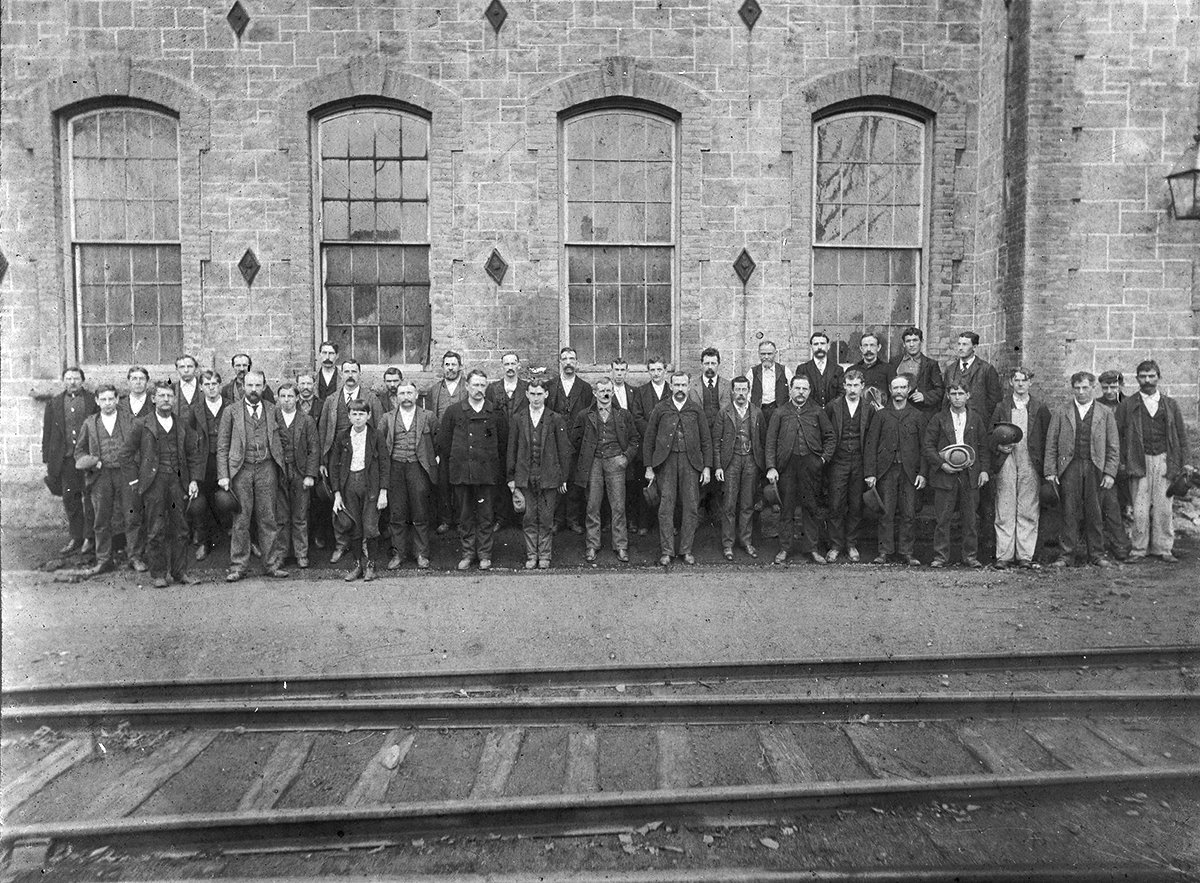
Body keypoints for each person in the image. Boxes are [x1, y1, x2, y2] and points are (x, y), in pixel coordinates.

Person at [120, 382, 202, 587]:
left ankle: (180, 572)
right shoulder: (142, 424)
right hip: (153, 484)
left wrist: (192, 480)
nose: (166, 399)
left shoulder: (182, 424)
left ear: (174, 400)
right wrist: (135, 480)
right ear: (153, 399)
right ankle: (158, 574)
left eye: (169, 396)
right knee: (156, 529)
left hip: (177, 482)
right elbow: (125, 455)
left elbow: (193, 454)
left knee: (181, 528)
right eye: (162, 396)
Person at [1116, 360, 1192, 564]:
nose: (1147, 380)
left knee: (1164, 507)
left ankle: (1163, 548)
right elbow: (1119, 436)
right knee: (1139, 508)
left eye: (1151, 376)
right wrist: (1123, 462)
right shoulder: (1128, 405)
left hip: (1165, 460)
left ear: (1158, 377)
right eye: (1143, 376)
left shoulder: (1171, 405)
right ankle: (1139, 549)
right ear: (1137, 378)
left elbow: (1181, 435)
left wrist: (1186, 462)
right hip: (1138, 461)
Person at [218, 370, 289, 582]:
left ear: (265, 386)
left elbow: (282, 440)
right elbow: (222, 446)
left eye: (258, 385)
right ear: (243, 387)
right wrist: (224, 475)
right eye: (249, 385)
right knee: (241, 520)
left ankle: (271, 564)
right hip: (241, 470)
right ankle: (238, 566)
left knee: (268, 518)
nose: (253, 390)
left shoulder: (272, 409)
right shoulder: (231, 411)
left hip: (266, 469)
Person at [1045, 371, 1119, 568]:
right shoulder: (1062, 411)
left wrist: (1110, 472)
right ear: (1072, 389)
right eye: (1077, 388)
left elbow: (1113, 445)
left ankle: (1096, 554)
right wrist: (1050, 471)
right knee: (1068, 511)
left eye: (1085, 388)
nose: (1081, 392)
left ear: (1093, 388)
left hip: (1096, 466)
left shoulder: (1105, 413)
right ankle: (1066, 555)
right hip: (1070, 467)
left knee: (1095, 512)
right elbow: (1051, 443)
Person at [942, 332, 1001, 561]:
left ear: (975, 347)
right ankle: (945, 554)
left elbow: (994, 403)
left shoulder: (986, 370)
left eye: (965, 344)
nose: (961, 348)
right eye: (959, 344)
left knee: (978, 503)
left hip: (977, 435)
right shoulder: (950, 369)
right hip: (953, 436)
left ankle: (981, 552)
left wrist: (985, 432)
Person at [441, 368, 508, 570]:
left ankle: (485, 554)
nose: (479, 389)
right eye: (475, 385)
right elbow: (444, 443)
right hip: (462, 472)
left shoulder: (495, 412)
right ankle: (468, 553)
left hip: (487, 474)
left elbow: (503, 443)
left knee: (486, 515)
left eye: (482, 385)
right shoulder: (454, 412)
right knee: (465, 515)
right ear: (467, 387)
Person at [643, 371, 712, 566]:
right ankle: (666, 551)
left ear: (688, 387)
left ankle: (686, 550)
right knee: (666, 507)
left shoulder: (696, 410)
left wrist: (706, 467)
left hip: (691, 464)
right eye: (676, 385)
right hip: (666, 463)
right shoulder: (660, 409)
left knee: (691, 507)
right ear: (671, 386)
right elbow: (649, 439)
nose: (680, 389)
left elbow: (706, 440)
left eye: (683, 385)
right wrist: (649, 467)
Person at [317, 359, 383, 561]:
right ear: (341, 374)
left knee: (364, 507)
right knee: (340, 504)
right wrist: (322, 461)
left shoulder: (371, 399)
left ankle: (363, 546)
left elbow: (378, 429)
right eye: (346, 371)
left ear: (360, 374)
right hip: (338, 458)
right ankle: (341, 544)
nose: (350, 375)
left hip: (363, 460)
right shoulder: (332, 400)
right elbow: (323, 431)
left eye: (354, 371)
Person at [766, 375, 835, 565]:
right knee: (786, 509)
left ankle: (811, 548)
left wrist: (822, 459)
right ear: (790, 390)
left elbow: (830, 437)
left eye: (804, 389)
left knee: (811, 508)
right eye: (797, 388)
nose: (801, 392)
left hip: (811, 467)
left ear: (809, 391)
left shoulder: (817, 412)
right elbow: (770, 442)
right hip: (787, 467)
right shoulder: (780, 413)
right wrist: (771, 467)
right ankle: (784, 548)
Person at [572, 377, 639, 564]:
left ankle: (621, 546)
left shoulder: (623, 414)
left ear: (613, 392)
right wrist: (586, 456)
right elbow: (575, 439)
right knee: (592, 505)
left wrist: (625, 458)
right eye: (601, 391)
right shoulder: (585, 415)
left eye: (608, 390)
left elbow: (635, 439)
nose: (605, 394)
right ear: (595, 393)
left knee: (618, 506)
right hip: (593, 463)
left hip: (615, 462)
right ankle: (592, 545)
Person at [924, 381, 990, 568]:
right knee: (942, 518)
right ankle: (940, 556)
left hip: (970, 474)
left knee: (970, 519)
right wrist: (942, 464)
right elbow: (928, 446)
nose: (957, 397)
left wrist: (984, 470)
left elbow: (983, 447)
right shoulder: (938, 419)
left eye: (961, 393)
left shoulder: (975, 419)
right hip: (945, 474)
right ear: (947, 396)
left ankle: (970, 556)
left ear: (968, 395)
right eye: (953, 393)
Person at [990, 367, 1050, 570]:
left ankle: (1025, 555)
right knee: (1005, 506)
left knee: (1028, 507)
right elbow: (991, 434)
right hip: (1007, 459)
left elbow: (1046, 438)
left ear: (1030, 383)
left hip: (1029, 460)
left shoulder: (1039, 407)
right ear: (1011, 383)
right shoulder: (1002, 406)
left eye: (1024, 380)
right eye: (1017, 380)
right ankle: (1004, 555)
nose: (1021, 384)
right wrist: (999, 446)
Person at [509, 376, 571, 568]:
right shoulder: (518, 419)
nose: (536, 398)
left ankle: (544, 555)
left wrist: (563, 478)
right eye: (532, 394)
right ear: (527, 394)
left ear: (546, 394)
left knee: (545, 517)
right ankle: (531, 555)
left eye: (539, 394)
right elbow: (511, 449)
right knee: (528, 517)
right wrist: (511, 478)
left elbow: (564, 450)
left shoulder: (555, 418)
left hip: (549, 477)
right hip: (525, 476)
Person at [74, 384, 136, 575]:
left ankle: (135, 557)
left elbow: (141, 447)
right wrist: (93, 462)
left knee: (132, 516)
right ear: (97, 401)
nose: (108, 403)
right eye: (104, 400)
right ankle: (103, 559)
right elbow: (79, 452)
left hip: (125, 475)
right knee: (101, 518)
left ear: (117, 400)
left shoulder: (130, 420)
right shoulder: (90, 423)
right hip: (101, 476)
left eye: (111, 399)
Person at [865, 375, 927, 565]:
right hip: (887, 471)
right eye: (895, 388)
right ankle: (884, 551)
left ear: (908, 390)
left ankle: (907, 552)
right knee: (886, 512)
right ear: (890, 391)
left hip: (910, 472)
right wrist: (871, 473)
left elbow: (925, 447)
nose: (899, 391)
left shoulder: (917, 416)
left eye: (902, 388)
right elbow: (871, 445)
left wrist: (923, 473)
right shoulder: (881, 415)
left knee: (908, 513)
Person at [382, 379, 438, 570]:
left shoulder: (428, 416)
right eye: (402, 394)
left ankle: (421, 553)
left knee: (420, 511)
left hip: (417, 467)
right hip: (395, 468)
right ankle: (398, 553)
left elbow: (437, 442)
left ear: (416, 395)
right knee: (397, 512)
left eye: (409, 393)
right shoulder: (387, 418)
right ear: (396, 397)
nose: (406, 397)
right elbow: (381, 446)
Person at [330, 399, 389, 580]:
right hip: (349, 484)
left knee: (370, 526)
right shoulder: (342, 436)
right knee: (354, 526)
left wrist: (383, 491)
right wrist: (337, 494)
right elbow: (334, 466)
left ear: (368, 416)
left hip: (370, 484)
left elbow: (385, 464)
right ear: (348, 416)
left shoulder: (376, 435)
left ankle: (371, 565)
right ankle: (357, 566)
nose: (358, 418)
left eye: (361, 414)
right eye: (354, 414)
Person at [42, 366, 97, 555]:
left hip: (88, 458)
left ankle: (91, 538)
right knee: (70, 499)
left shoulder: (92, 400)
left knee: (90, 498)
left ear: (82, 380)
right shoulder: (55, 403)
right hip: (66, 460)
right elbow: (48, 432)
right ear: (64, 381)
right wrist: (47, 458)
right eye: (68, 378)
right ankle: (76, 537)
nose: (72, 382)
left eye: (76, 378)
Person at [825, 369, 875, 562]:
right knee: (836, 503)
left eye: (856, 385)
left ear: (862, 386)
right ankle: (836, 545)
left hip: (859, 462)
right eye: (849, 385)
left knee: (855, 504)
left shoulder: (869, 408)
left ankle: (851, 544)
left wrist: (870, 469)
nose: (852, 389)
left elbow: (871, 440)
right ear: (844, 386)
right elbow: (827, 434)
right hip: (839, 461)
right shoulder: (833, 407)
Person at [714, 375, 766, 561]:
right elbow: (716, 442)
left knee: (747, 504)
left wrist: (761, 464)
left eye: (744, 390)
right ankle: (728, 544)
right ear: (732, 392)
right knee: (728, 504)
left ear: (749, 391)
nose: (741, 394)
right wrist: (719, 466)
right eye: (738, 390)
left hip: (751, 461)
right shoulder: (724, 413)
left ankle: (746, 541)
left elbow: (762, 440)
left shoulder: (757, 412)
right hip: (731, 462)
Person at [545, 346, 594, 534]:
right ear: (560, 362)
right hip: (555, 442)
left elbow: (589, 416)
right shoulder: (550, 386)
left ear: (577, 363)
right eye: (564, 359)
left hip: (576, 443)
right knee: (556, 481)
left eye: (571, 359)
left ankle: (573, 519)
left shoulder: (585, 388)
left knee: (573, 482)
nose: (568, 363)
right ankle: (557, 519)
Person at [274, 382, 320, 569]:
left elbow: (314, 449)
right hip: (279, 471)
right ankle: (282, 553)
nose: (287, 400)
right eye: (283, 396)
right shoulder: (273, 418)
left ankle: (301, 553)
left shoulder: (306, 420)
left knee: (300, 515)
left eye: (290, 396)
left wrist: (310, 474)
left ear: (297, 398)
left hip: (300, 472)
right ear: (278, 399)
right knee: (281, 516)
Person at [188, 370, 228, 561]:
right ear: (202, 388)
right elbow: (190, 441)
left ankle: (242, 540)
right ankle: (204, 541)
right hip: (204, 463)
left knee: (232, 500)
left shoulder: (230, 406)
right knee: (201, 502)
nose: (211, 388)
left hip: (226, 460)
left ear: (220, 385)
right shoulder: (195, 410)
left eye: (214, 384)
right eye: (207, 384)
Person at [426, 350, 468, 535]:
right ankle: (445, 519)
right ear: (442, 367)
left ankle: (461, 520)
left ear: (460, 366)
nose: (450, 368)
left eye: (454, 364)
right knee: (443, 483)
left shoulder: (467, 388)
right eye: (447, 364)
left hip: (463, 443)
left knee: (460, 483)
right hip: (442, 444)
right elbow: (431, 419)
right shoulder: (435, 390)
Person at [689, 347, 731, 524]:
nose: (710, 367)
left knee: (719, 476)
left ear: (719, 365)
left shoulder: (727, 385)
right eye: (706, 363)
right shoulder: (693, 386)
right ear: (701, 365)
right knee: (700, 474)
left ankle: (717, 515)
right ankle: (698, 515)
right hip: (700, 438)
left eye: (713, 363)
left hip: (720, 438)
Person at [486, 352, 528, 528]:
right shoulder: (492, 389)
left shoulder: (526, 388)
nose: (510, 367)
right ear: (502, 366)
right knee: (500, 478)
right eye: (506, 364)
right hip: (500, 441)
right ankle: (501, 517)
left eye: (513, 363)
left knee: (521, 476)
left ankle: (521, 516)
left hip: (521, 440)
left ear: (519, 365)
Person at [631, 355, 671, 536]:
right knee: (645, 486)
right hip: (647, 446)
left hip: (667, 447)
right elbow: (637, 416)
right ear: (648, 372)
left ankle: (667, 524)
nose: (656, 373)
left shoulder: (672, 391)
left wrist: (662, 434)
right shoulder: (641, 392)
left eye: (659, 370)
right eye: (652, 370)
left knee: (667, 487)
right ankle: (644, 523)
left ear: (665, 371)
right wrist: (652, 432)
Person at [1094, 369, 1132, 561]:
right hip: (1106, 464)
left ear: (1121, 386)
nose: (1109, 391)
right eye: (1106, 387)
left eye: (1113, 387)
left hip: (1127, 464)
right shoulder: (1097, 406)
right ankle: (1119, 545)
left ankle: (1131, 544)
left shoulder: (1129, 404)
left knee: (1127, 505)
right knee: (1110, 504)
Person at [888, 327, 944, 419]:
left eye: (915, 340)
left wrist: (924, 396)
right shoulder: (895, 362)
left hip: (921, 413)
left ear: (921, 341)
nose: (911, 344)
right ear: (903, 344)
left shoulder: (930, 364)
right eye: (908, 341)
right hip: (897, 412)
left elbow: (940, 390)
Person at [794, 331, 843, 409]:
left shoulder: (838, 369)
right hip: (810, 414)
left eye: (822, 344)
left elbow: (841, 394)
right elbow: (800, 393)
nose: (819, 347)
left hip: (832, 414)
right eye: (816, 344)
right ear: (811, 347)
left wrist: (830, 408)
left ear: (828, 346)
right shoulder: (802, 369)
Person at [747, 339, 789, 427]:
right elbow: (747, 394)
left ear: (775, 353)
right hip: (759, 411)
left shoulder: (785, 371)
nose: (766, 357)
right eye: (763, 354)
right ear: (758, 354)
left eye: (769, 354)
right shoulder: (752, 372)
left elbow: (791, 392)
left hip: (779, 411)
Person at [847, 332, 892, 405]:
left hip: (881, 413)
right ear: (861, 348)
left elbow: (894, 394)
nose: (868, 349)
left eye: (872, 345)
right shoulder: (852, 370)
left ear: (878, 347)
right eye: (865, 345)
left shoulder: (888, 369)